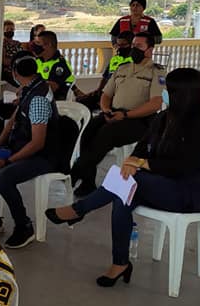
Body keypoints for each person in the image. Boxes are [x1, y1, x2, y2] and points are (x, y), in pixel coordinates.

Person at [47, 68, 200, 286]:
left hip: (190, 192)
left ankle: (79, 210)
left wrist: (144, 164)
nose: (164, 93)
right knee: (123, 195)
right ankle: (120, 263)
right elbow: (143, 145)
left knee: (131, 181)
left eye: (168, 90)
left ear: (182, 95)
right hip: (165, 184)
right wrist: (133, 159)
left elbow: (185, 167)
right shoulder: (165, 117)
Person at [0, 54, 59, 249]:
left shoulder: (38, 99)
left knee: (3, 177)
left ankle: (24, 226)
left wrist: (7, 161)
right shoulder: (28, 88)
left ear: (15, 73)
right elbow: (13, 121)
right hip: (19, 147)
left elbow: (37, 143)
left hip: (41, 156)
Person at [69, 32, 165, 197]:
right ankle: (87, 181)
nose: (134, 49)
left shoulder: (157, 72)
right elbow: (106, 94)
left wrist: (126, 115)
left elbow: (155, 104)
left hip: (139, 120)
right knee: (88, 130)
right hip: (114, 112)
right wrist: (106, 109)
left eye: (139, 46)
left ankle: (76, 171)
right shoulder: (123, 68)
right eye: (133, 45)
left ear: (149, 50)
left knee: (106, 134)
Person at [0, 31, 74, 140]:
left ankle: (0, 144)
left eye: (38, 43)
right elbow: (30, 81)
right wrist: (23, 91)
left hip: (46, 104)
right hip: (29, 99)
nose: (35, 46)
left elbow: (50, 88)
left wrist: (25, 95)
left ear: (48, 45)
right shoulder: (39, 61)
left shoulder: (59, 65)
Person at [73, 31, 133, 111]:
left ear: (132, 45)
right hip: (105, 91)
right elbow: (105, 77)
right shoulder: (115, 59)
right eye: (118, 45)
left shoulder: (134, 62)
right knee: (80, 102)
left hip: (118, 95)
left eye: (123, 45)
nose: (120, 47)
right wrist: (98, 91)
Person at [0, 19, 23, 88]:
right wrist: (17, 61)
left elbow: (22, 56)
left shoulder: (18, 43)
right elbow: (4, 61)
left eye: (12, 29)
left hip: (19, 68)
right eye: (7, 29)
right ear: (3, 30)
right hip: (7, 71)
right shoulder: (2, 43)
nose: (10, 31)